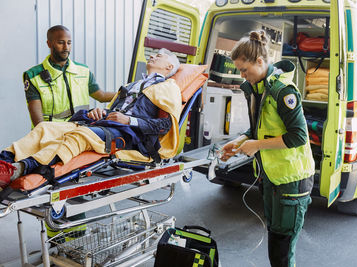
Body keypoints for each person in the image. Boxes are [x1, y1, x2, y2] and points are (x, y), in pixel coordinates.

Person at [0, 48, 181, 191]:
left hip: (130, 135)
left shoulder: (168, 88)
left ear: (169, 68)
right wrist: (99, 112)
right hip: (107, 124)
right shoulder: (132, 85)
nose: (151, 56)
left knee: (80, 135)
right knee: (46, 128)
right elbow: (113, 110)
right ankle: (4, 161)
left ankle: (21, 168)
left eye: (158, 55)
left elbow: (165, 126)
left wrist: (129, 121)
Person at [220, 31, 315, 267]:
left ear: (260, 62)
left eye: (244, 69)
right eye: (239, 71)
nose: (242, 75)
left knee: (282, 252)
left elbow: (299, 136)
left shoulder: (283, 91)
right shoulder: (258, 89)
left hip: (292, 179)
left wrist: (257, 146)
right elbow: (258, 131)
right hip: (272, 177)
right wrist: (240, 142)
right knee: (276, 245)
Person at [23, 25, 115, 127]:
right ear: (49, 44)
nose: (66, 47)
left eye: (69, 43)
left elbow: (101, 96)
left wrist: (128, 93)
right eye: (61, 43)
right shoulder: (33, 76)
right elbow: (38, 123)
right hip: (52, 134)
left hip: (80, 131)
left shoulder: (83, 71)